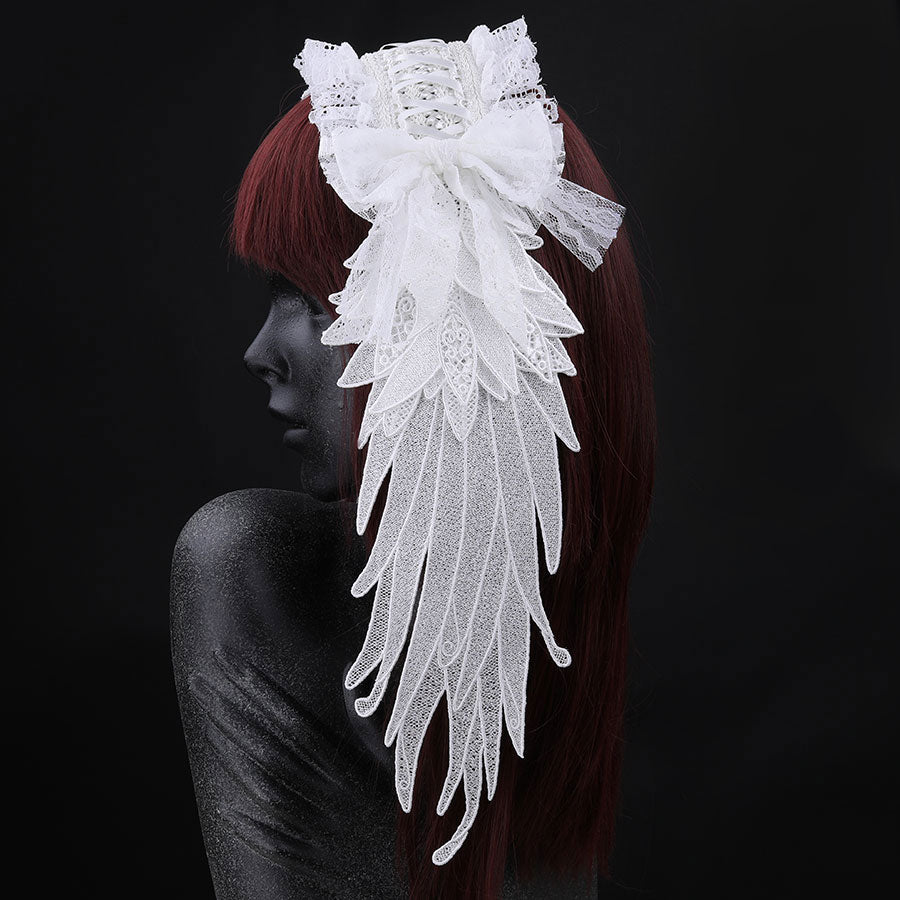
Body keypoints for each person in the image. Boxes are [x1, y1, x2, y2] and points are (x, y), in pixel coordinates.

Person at [172, 19, 655, 899]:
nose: (259, 351)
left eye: (312, 300)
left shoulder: (247, 565)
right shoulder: (253, 571)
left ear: (456, 325)